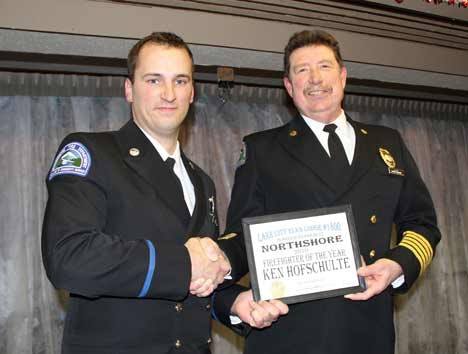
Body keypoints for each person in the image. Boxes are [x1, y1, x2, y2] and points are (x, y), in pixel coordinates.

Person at [212, 29, 441, 354]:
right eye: (302, 70)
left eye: (324, 66)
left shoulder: (387, 143)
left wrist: (396, 265)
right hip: (289, 331)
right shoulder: (262, 149)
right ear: (289, 87)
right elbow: (241, 239)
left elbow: (422, 224)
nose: (315, 79)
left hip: (368, 327)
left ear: (343, 76)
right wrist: (218, 283)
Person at [41, 32, 232, 354]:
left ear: (192, 93)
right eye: (154, 80)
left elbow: (200, 283)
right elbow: (69, 257)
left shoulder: (203, 181)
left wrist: (235, 304)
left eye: (180, 81)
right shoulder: (92, 152)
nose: (169, 94)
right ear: (129, 89)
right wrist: (184, 262)